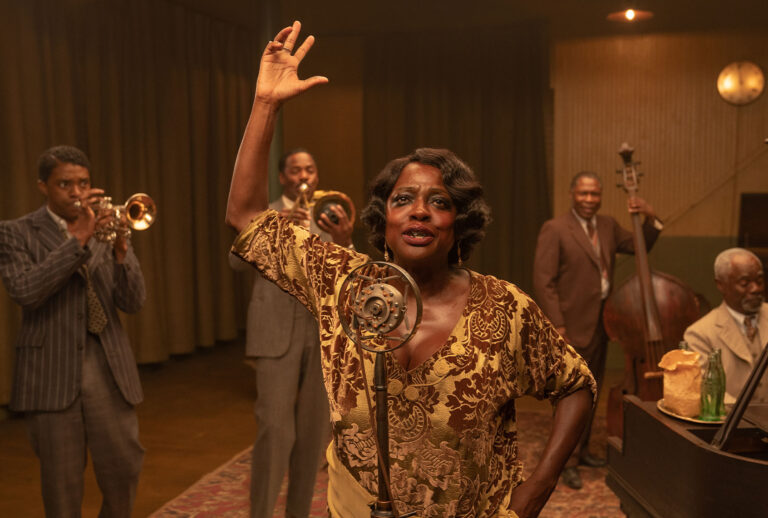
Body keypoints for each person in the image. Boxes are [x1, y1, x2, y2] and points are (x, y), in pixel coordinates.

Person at [225, 22, 595, 518]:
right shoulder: (343, 283)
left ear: (459, 223)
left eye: (438, 202)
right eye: (403, 200)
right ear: (385, 220)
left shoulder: (504, 307)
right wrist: (266, 105)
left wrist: (539, 486)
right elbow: (245, 216)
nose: (419, 211)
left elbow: (576, 385)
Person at [0, 145, 146, 517]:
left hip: (108, 369)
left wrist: (121, 248)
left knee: (124, 470)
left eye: (83, 183)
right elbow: (26, 291)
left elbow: (133, 301)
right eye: (65, 184)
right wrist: (77, 240)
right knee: (62, 489)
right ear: (43, 187)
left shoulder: (106, 225)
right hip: (51, 372)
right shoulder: (15, 233)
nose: (77, 193)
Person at [229, 147, 354, 518]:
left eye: (310, 170)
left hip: (320, 331)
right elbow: (235, 263)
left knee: (314, 434)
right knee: (274, 430)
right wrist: (276, 225)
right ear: (283, 177)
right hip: (274, 331)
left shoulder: (332, 213)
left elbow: (350, 271)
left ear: (317, 176)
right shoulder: (265, 214)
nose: (304, 176)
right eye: (296, 170)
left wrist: (346, 240)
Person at [532, 170, 663, 489]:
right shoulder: (555, 229)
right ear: (572, 194)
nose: (589, 200)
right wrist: (558, 326)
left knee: (591, 393)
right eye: (583, 194)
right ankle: (567, 462)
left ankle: (584, 450)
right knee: (571, 396)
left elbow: (639, 247)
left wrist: (650, 218)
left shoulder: (608, 226)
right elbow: (543, 281)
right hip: (571, 328)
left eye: (594, 194)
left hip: (603, 325)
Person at [684, 248, 767, 404]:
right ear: (721, 285)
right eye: (745, 283)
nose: (756, 289)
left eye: (760, 281)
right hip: (730, 422)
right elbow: (704, 388)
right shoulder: (699, 334)